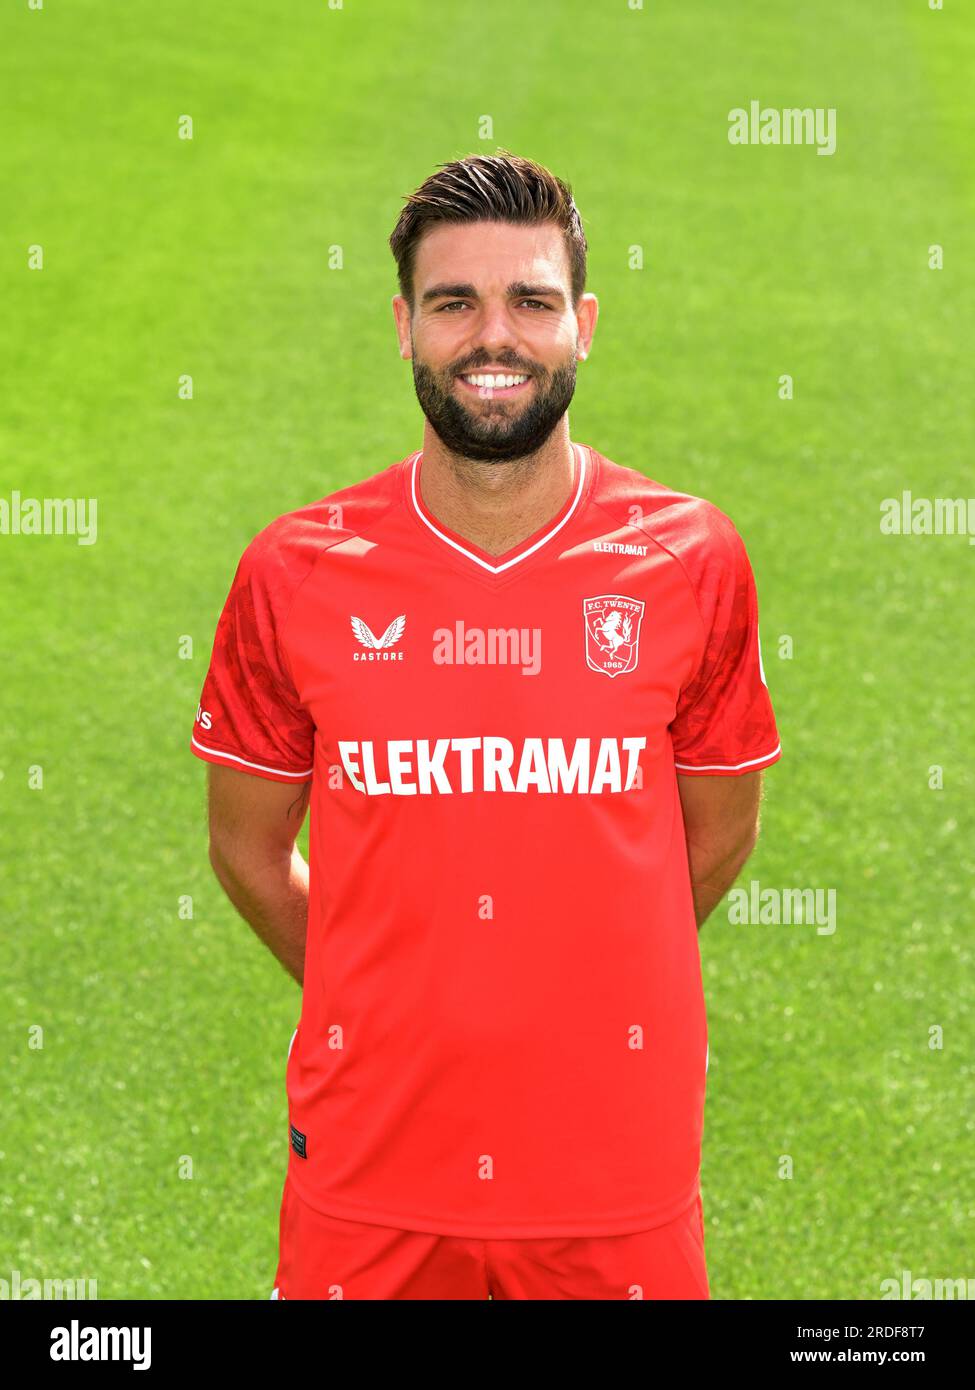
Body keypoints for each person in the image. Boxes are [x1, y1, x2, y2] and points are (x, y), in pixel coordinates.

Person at [190, 150, 781, 1300]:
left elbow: (716, 837)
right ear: (406, 324)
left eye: (531, 301)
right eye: (456, 302)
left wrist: (570, 986)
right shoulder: (295, 570)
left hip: (615, 1175)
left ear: (585, 323)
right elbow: (247, 850)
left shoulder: (691, 558)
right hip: (368, 1173)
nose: (492, 337)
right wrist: (392, 997)